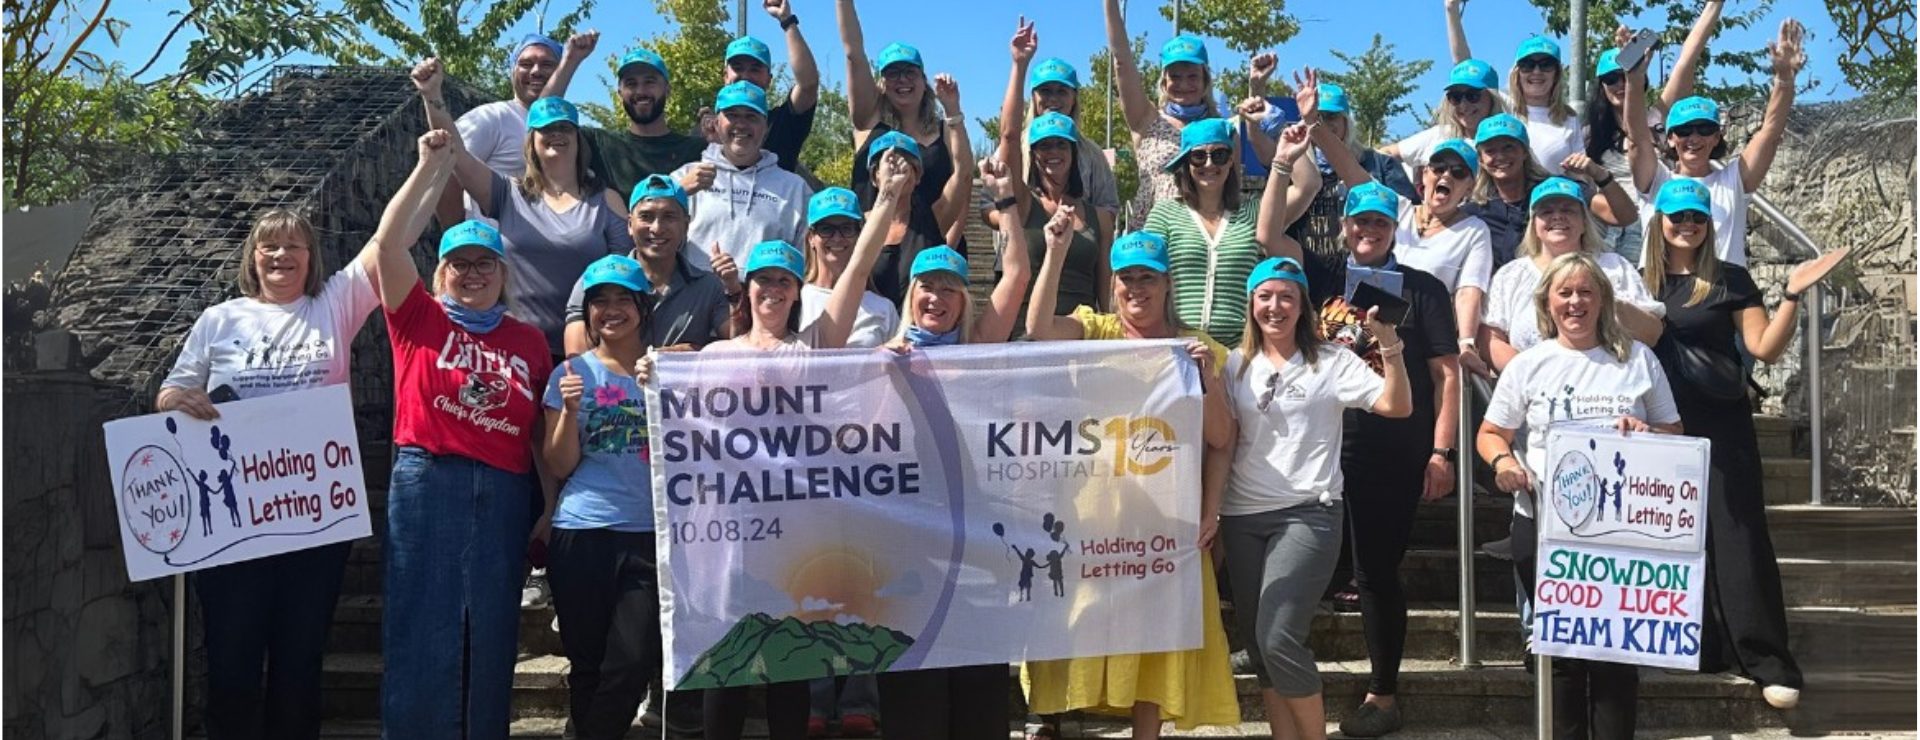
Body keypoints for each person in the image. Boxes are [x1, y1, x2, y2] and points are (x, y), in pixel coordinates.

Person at [155, 205, 382, 739]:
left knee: (298, 665)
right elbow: (170, 390)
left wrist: (432, 164)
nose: (281, 255)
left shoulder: (334, 303)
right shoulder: (220, 318)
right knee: (232, 665)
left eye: (293, 246)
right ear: (252, 257)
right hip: (233, 525)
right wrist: (178, 400)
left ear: (311, 257)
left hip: (313, 521)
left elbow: (387, 237)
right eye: (269, 246)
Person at [697, 157, 893, 740]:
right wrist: (653, 375)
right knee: (725, 664)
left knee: (789, 657)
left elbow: (855, 276)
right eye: (764, 281)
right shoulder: (712, 359)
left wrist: (886, 199)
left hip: (795, 530)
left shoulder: (816, 349)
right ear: (747, 288)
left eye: (785, 282)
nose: (774, 291)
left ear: (796, 292)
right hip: (731, 532)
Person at [1640, 178, 1852, 710]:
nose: (1686, 225)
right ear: (1658, 223)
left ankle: (1764, 659)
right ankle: (1693, 648)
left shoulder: (1730, 279)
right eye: (1677, 216)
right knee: (1669, 535)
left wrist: (1792, 295)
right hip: (1655, 421)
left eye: (1696, 217)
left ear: (1709, 225)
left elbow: (1764, 348)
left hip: (1718, 418)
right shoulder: (1636, 281)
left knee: (1738, 535)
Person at [1021, 229, 1240, 738]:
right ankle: (1054, 720)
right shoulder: (1096, 328)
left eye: (1148, 277)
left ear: (1167, 284)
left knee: (1157, 641)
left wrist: (1211, 512)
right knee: (1079, 627)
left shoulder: (1199, 348)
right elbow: (1036, 326)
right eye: (1126, 278)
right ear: (1113, 284)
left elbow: (1222, 436)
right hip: (1091, 517)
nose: (1136, 288)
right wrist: (1054, 252)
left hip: (1168, 521)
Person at [373, 131, 555, 738]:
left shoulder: (528, 341)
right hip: (430, 479)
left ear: (502, 272)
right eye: (460, 264)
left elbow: (536, 435)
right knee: (422, 623)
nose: (473, 275)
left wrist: (548, 506)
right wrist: (428, 166)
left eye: (485, 264)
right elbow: (386, 245)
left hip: (504, 491)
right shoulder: (417, 315)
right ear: (440, 271)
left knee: (493, 630)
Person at [1278, 178, 1462, 737]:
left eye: (1380, 222)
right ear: (1345, 226)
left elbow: (1446, 374)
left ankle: (1383, 693)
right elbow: (1268, 235)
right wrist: (1287, 162)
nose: (1369, 231)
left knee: (1376, 570)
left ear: (1393, 229)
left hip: (1393, 445)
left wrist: (1442, 450)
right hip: (1322, 441)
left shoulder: (1424, 289)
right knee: (1306, 557)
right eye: (1360, 221)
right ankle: (1275, 650)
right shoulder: (1324, 279)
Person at [1477, 251, 1683, 740]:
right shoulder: (1528, 365)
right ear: (1547, 302)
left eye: (1586, 292)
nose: (1575, 302)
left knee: (1615, 659)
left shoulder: (1638, 358)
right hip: (1543, 521)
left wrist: (1645, 430)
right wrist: (1504, 463)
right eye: (1565, 292)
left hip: (1621, 530)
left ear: (1603, 300)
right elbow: (1491, 432)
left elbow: (1675, 432)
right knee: (1562, 658)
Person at [869, 157, 1037, 740]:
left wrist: (1008, 202)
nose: (936, 298)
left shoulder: (979, 348)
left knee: (979, 702)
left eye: (948, 288)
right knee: (912, 704)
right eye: (926, 287)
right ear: (910, 293)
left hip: (976, 549)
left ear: (965, 300)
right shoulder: (880, 358)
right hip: (906, 548)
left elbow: (1015, 272)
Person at [1222, 255, 1413, 740]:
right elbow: (1221, 438)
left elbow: (1396, 405)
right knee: (1261, 649)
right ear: (1251, 304)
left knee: (1279, 637)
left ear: (1303, 304)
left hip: (1308, 513)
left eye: (1287, 296)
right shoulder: (1233, 363)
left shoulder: (1332, 360)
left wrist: (1390, 347)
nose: (1275, 305)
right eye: (1265, 296)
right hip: (1242, 516)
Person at [415, 57, 634, 358]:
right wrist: (432, 96)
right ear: (532, 142)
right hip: (514, 351)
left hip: (590, 353)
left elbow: (628, 275)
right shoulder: (507, 193)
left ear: (578, 138)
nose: (556, 134)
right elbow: (456, 154)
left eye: (564, 128)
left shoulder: (606, 200)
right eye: (546, 129)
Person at [542, 255, 665, 740]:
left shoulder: (666, 370)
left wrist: (664, 390)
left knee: (634, 660)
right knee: (587, 662)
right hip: (581, 532)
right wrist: (571, 411)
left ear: (642, 307)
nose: (611, 310)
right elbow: (559, 465)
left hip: (648, 534)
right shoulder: (571, 373)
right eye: (600, 302)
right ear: (587, 312)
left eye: (622, 300)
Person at [1302, 68, 1492, 381]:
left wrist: (1467, 343)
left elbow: (1469, 290)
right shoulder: (1397, 208)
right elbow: (1349, 168)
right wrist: (1314, 123)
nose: (1446, 175)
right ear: (1424, 175)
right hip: (1357, 328)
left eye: (1458, 172)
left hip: (1420, 337)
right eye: (1439, 167)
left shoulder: (1474, 230)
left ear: (1469, 187)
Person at [1625, 17, 1807, 269]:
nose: (1694, 138)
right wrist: (1634, 82)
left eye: (1704, 129)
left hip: (1723, 299)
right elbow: (1636, 140)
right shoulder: (1657, 181)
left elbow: (1770, 133)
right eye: (1684, 130)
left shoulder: (1733, 180)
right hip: (1663, 299)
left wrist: (1784, 79)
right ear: (1670, 138)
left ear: (1716, 136)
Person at [1143, 117, 1317, 347]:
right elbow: (1146, 275)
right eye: (1198, 156)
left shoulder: (1254, 212)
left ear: (1230, 161)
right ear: (1186, 162)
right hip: (1177, 347)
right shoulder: (1165, 213)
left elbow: (1308, 185)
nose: (1209, 164)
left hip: (1239, 351)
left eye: (1219, 155)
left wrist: (1283, 147)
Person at [1103, 0, 1277, 218]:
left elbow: (1233, 190)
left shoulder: (1223, 129)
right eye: (1175, 77)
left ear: (1205, 81)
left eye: (1192, 76)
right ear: (1164, 83)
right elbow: (1122, 62)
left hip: (1204, 242)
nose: (1184, 84)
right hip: (1153, 244)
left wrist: (1257, 86)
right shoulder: (1146, 120)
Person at [1583, 5, 1719, 261]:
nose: (1620, 83)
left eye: (1626, 75)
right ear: (1601, 86)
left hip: (1661, 226)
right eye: (1612, 78)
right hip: (1608, 237)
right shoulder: (1590, 135)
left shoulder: (1658, 120)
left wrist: (1715, 5)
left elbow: (1687, 61)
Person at [564, 175, 739, 355]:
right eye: (646, 217)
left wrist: (733, 289)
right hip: (613, 384)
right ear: (630, 224)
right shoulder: (595, 279)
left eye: (669, 217)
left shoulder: (708, 287)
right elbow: (578, 363)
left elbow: (738, 347)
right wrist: (660, 359)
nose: (657, 228)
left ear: (686, 225)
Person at [837, 0, 972, 229]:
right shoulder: (869, 122)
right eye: (893, 73)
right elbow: (854, 53)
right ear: (881, 82)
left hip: (933, 246)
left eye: (910, 72)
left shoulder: (946, 129)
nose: (902, 80)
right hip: (873, 247)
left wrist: (952, 108)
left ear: (923, 79)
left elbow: (964, 178)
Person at [985, 18, 1122, 235]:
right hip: (1020, 254)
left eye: (1062, 91)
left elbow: (1109, 208)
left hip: (1077, 258)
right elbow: (986, 206)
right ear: (1033, 97)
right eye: (1045, 91)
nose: (1053, 99)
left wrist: (1072, 223)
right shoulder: (1012, 147)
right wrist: (1016, 218)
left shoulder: (1092, 154)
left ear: (1074, 98)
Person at [1286, 77, 1420, 282]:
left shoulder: (1381, 165)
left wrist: (1314, 124)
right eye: (1318, 117)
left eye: (1331, 117)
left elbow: (1408, 221)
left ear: (1346, 121)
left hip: (1367, 276)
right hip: (1306, 275)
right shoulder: (1294, 167)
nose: (1325, 123)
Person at [1463, 113, 1637, 270]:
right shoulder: (1475, 212)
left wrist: (1600, 174)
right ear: (1481, 160)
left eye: (1508, 147)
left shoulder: (1559, 190)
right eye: (1490, 151)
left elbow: (1625, 216)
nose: (1500, 156)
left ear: (1524, 152)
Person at [675, 81, 815, 274]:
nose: (741, 124)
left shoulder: (795, 189)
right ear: (716, 123)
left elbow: (809, 263)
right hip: (697, 301)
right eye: (732, 115)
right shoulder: (685, 177)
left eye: (751, 117)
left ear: (765, 126)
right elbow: (650, 232)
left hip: (767, 300)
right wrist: (677, 192)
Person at [545, 40, 708, 202]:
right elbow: (542, 119)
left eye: (649, 82)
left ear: (667, 90)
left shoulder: (696, 150)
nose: (641, 91)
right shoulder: (599, 145)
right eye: (631, 84)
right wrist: (570, 60)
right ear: (620, 93)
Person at [435, 33, 568, 225]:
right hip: (491, 249)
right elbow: (447, 172)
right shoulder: (491, 117)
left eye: (547, 64)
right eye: (526, 64)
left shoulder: (568, 132)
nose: (536, 71)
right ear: (513, 72)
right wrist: (457, 237)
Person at [993, 107, 1110, 322]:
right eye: (1044, 146)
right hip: (1026, 333)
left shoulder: (1100, 218)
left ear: (1073, 153)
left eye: (1061, 145)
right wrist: (1019, 72)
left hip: (1080, 334)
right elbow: (1009, 136)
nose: (1053, 152)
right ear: (1033, 154)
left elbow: (1105, 289)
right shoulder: (1024, 204)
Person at [1443, 1, 1582, 174]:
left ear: (1557, 73)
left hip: (1549, 200)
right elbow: (1465, 68)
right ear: (1517, 72)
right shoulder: (1505, 109)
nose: (1536, 71)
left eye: (1546, 64)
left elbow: (1581, 176)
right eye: (1527, 65)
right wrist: (1452, 11)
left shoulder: (1569, 119)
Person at [860, 127, 973, 304]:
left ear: (917, 176)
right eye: (889, 164)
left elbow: (963, 175)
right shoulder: (854, 226)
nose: (896, 171)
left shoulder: (933, 219)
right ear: (874, 178)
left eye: (905, 164)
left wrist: (953, 113)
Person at [713, 0, 820, 174]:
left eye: (755, 69)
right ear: (725, 76)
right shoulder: (706, 129)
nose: (746, 76)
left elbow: (808, 85)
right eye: (738, 68)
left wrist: (787, 20)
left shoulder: (782, 123)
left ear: (769, 79)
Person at [801, 186, 900, 348]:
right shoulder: (796, 301)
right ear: (811, 237)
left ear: (859, 236)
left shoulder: (884, 308)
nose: (837, 238)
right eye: (826, 229)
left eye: (846, 229)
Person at [1380, 57, 1503, 173]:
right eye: (1456, 97)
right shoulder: (1440, 136)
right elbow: (1386, 153)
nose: (1464, 105)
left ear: (1492, 97)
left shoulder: (1510, 140)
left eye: (1473, 95)